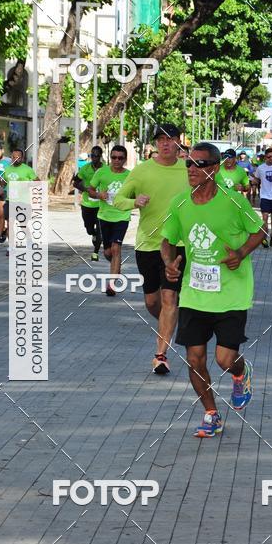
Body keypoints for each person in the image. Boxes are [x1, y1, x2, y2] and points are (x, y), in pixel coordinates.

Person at [161, 142, 264, 437]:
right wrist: (169, 263)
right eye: (188, 164)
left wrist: (241, 253)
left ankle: (241, 373)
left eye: (200, 164)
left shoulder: (234, 201)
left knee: (224, 360)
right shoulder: (180, 203)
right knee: (194, 359)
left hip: (232, 293)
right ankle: (211, 413)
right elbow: (167, 240)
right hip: (195, 293)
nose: (191, 169)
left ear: (214, 169)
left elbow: (259, 231)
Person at [114, 122, 188, 374]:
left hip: (178, 244)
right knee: (152, 302)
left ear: (178, 141)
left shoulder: (188, 170)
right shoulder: (142, 171)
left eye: (171, 138)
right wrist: (134, 201)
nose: (166, 143)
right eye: (161, 139)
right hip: (148, 244)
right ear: (156, 143)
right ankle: (169, 323)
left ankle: (160, 355)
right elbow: (118, 199)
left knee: (169, 298)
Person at [88, 145, 131, 296]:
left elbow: (136, 192)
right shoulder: (102, 172)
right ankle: (116, 265)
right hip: (104, 216)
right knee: (107, 252)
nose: (117, 160)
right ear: (110, 158)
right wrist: (98, 195)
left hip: (122, 216)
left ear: (125, 159)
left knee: (116, 248)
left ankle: (111, 285)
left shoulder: (130, 176)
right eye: (114, 157)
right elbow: (90, 190)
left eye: (120, 158)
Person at [0, 148, 38, 255]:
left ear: (22, 158)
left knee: (22, 224)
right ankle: (11, 247)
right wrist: (1, 188)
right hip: (10, 201)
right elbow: (3, 181)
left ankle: (29, 241)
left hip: (23, 201)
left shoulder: (27, 169)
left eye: (18, 157)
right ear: (11, 157)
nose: (15, 159)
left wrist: (28, 184)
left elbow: (38, 182)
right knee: (10, 223)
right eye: (13, 157)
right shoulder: (7, 169)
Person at [73, 145, 104, 261]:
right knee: (89, 229)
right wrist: (86, 189)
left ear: (100, 156)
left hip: (101, 205)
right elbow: (75, 183)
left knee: (100, 229)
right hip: (87, 204)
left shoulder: (106, 169)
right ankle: (93, 234)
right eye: (92, 156)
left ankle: (95, 252)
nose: (94, 158)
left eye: (97, 156)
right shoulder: (85, 169)